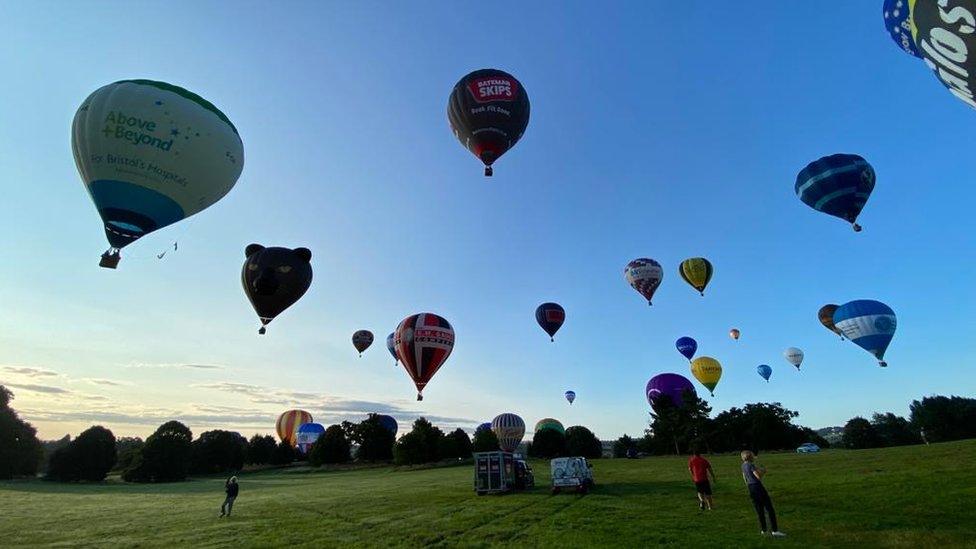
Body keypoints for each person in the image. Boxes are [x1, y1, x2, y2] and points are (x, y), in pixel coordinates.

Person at [740, 451, 785, 537]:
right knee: (769, 509)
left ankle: (764, 530)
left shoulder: (743, 465)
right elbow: (758, 476)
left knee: (759, 510)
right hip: (758, 487)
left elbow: (744, 478)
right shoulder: (751, 465)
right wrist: (763, 471)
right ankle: (775, 530)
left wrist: (749, 484)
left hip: (751, 488)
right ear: (750, 457)